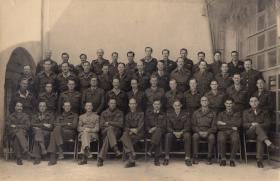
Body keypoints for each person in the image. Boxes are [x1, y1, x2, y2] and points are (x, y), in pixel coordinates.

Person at [243, 96, 279, 168]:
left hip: (261, 134)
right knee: (256, 127)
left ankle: (259, 161)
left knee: (260, 138)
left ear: (258, 102)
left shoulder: (264, 112)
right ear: (249, 103)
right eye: (252, 101)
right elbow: (243, 124)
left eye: (255, 101)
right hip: (250, 133)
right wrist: (251, 124)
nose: (254, 103)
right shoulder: (246, 112)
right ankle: (268, 142)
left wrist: (258, 125)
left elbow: (268, 123)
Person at [47, 102, 78, 166]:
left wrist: (61, 125)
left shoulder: (75, 115)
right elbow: (55, 124)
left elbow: (74, 126)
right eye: (65, 106)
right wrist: (66, 124)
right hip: (59, 135)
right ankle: (56, 154)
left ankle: (56, 154)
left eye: (68, 106)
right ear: (63, 107)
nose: (67, 107)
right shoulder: (59, 116)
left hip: (69, 133)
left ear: (70, 107)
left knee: (54, 132)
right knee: (54, 132)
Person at [164, 100, 192, 166]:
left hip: (183, 132)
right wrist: (174, 132)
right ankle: (167, 157)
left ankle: (187, 157)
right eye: (175, 105)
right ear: (173, 106)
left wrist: (181, 132)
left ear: (181, 106)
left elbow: (188, 126)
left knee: (187, 135)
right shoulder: (169, 114)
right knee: (168, 135)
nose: (177, 107)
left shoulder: (186, 114)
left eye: (178, 105)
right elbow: (168, 127)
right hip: (173, 132)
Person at [97, 98, 123, 167]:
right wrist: (114, 124)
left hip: (116, 132)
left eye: (114, 103)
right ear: (108, 104)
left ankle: (101, 158)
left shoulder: (119, 112)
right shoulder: (104, 113)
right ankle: (115, 149)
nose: (113, 104)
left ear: (116, 104)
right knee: (109, 129)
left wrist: (109, 123)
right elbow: (101, 125)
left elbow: (120, 124)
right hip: (105, 132)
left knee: (108, 135)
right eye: (111, 103)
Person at [120, 98, 144, 168]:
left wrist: (134, 130)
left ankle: (131, 157)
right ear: (129, 105)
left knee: (124, 139)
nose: (132, 105)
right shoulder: (127, 115)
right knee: (125, 136)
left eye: (134, 104)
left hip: (139, 133)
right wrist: (131, 130)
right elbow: (125, 127)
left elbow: (141, 126)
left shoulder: (141, 114)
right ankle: (132, 156)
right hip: (130, 133)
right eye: (131, 104)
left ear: (136, 105)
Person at [192, 96, 216, 165]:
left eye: (205, 100)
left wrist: (208, 132)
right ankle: (195, 157)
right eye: (202, 100)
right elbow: (193, 125)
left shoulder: (213, 113)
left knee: (212, 137)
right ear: (200, 102)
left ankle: (209, 157)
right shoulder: (196, 113)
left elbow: (214, 126)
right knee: (194, 136)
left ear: (208, 102)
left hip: (209, 132)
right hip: (198, 131)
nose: (204, 102)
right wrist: (199, 131)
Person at [217, 98, 241, 167]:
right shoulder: (221, 114)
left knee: (235, 139)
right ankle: (223, 159)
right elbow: (218, 126)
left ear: (233, 104)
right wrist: (231, 126)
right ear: (225, 104)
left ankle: (232, 159)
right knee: (221, 138)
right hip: (223, 131)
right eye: (227, 103)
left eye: (230, 103)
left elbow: (238, 124)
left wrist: (224, 123)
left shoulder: (237, 113)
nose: (229, 105)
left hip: (233, 132)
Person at [145, 99, 167, 166]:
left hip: (161, 131)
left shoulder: (163, 114)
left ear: (160, 105)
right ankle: (156, 159)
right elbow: (146, 124)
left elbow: (164, 125)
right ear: (153, 105)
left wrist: (155, 128)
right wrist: (149, 129)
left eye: (158, 104)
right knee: (158, 137)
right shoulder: (149, 114)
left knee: (158, 131)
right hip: (151, 132)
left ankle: (151, 149)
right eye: (155, 104)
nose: (157, 106)